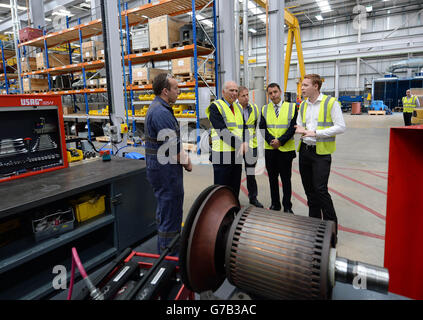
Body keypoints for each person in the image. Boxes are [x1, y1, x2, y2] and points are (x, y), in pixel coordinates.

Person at [145, 73, 192, 255]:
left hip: (163, 169)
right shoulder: (161, 113)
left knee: (166, 210)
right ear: (165, 91)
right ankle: (169, 256)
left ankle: (167, 248)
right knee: (170, 212)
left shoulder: (159, 108)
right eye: (175, 89)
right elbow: (174, 150)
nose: (178, 92)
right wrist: (188, 163)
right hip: (165, 172)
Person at [295, 74, 346, 233]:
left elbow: (341, 127)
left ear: (315, 86)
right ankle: (314, 227)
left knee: (320, 190)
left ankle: (331, 230)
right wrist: (301, 130)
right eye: (302, 85)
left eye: (305, 85)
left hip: (321, 154)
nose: (302, 88)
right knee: (310, 192)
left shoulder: (330, 103)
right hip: (305, 151)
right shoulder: (303, 105)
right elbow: (298, 124)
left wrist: (316, 133)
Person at [206, 81, 248, 199]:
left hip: (236, 154)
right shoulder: (216, 107)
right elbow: (222, 131)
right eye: (231, 90)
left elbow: (243, 127)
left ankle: (233, 209)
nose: (234, 93)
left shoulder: (238, 107)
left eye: (236, 91)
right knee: (221, 188)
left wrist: (245, 141)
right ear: (223, 92)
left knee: (235, 186)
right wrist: (241, 144)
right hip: (222, 155)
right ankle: (221, 213)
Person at [259, 83, 297, 213]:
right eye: (270, 93)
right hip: (270, 151)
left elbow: (293, 127)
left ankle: (287, 206)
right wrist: (271, 141)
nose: (273, 95)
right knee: (272, 179)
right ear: (268, 95)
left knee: (286, 180)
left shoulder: (292, 108)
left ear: (280, 92)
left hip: (285, 150)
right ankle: (275, 204)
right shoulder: (264, 109)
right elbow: (262, 128)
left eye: (275, 92)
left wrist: (280, 141)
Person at [234, 86, 264, 208]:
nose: (247, 98)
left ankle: (253, 198)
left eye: (247, 95)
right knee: (234, 174)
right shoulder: (233, 109)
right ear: (237, 97)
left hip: (251, 146)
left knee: (250, 173)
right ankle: (233, 199)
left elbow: (254, 125)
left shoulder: (254, 108)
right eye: (243, 96)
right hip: (236, 146)